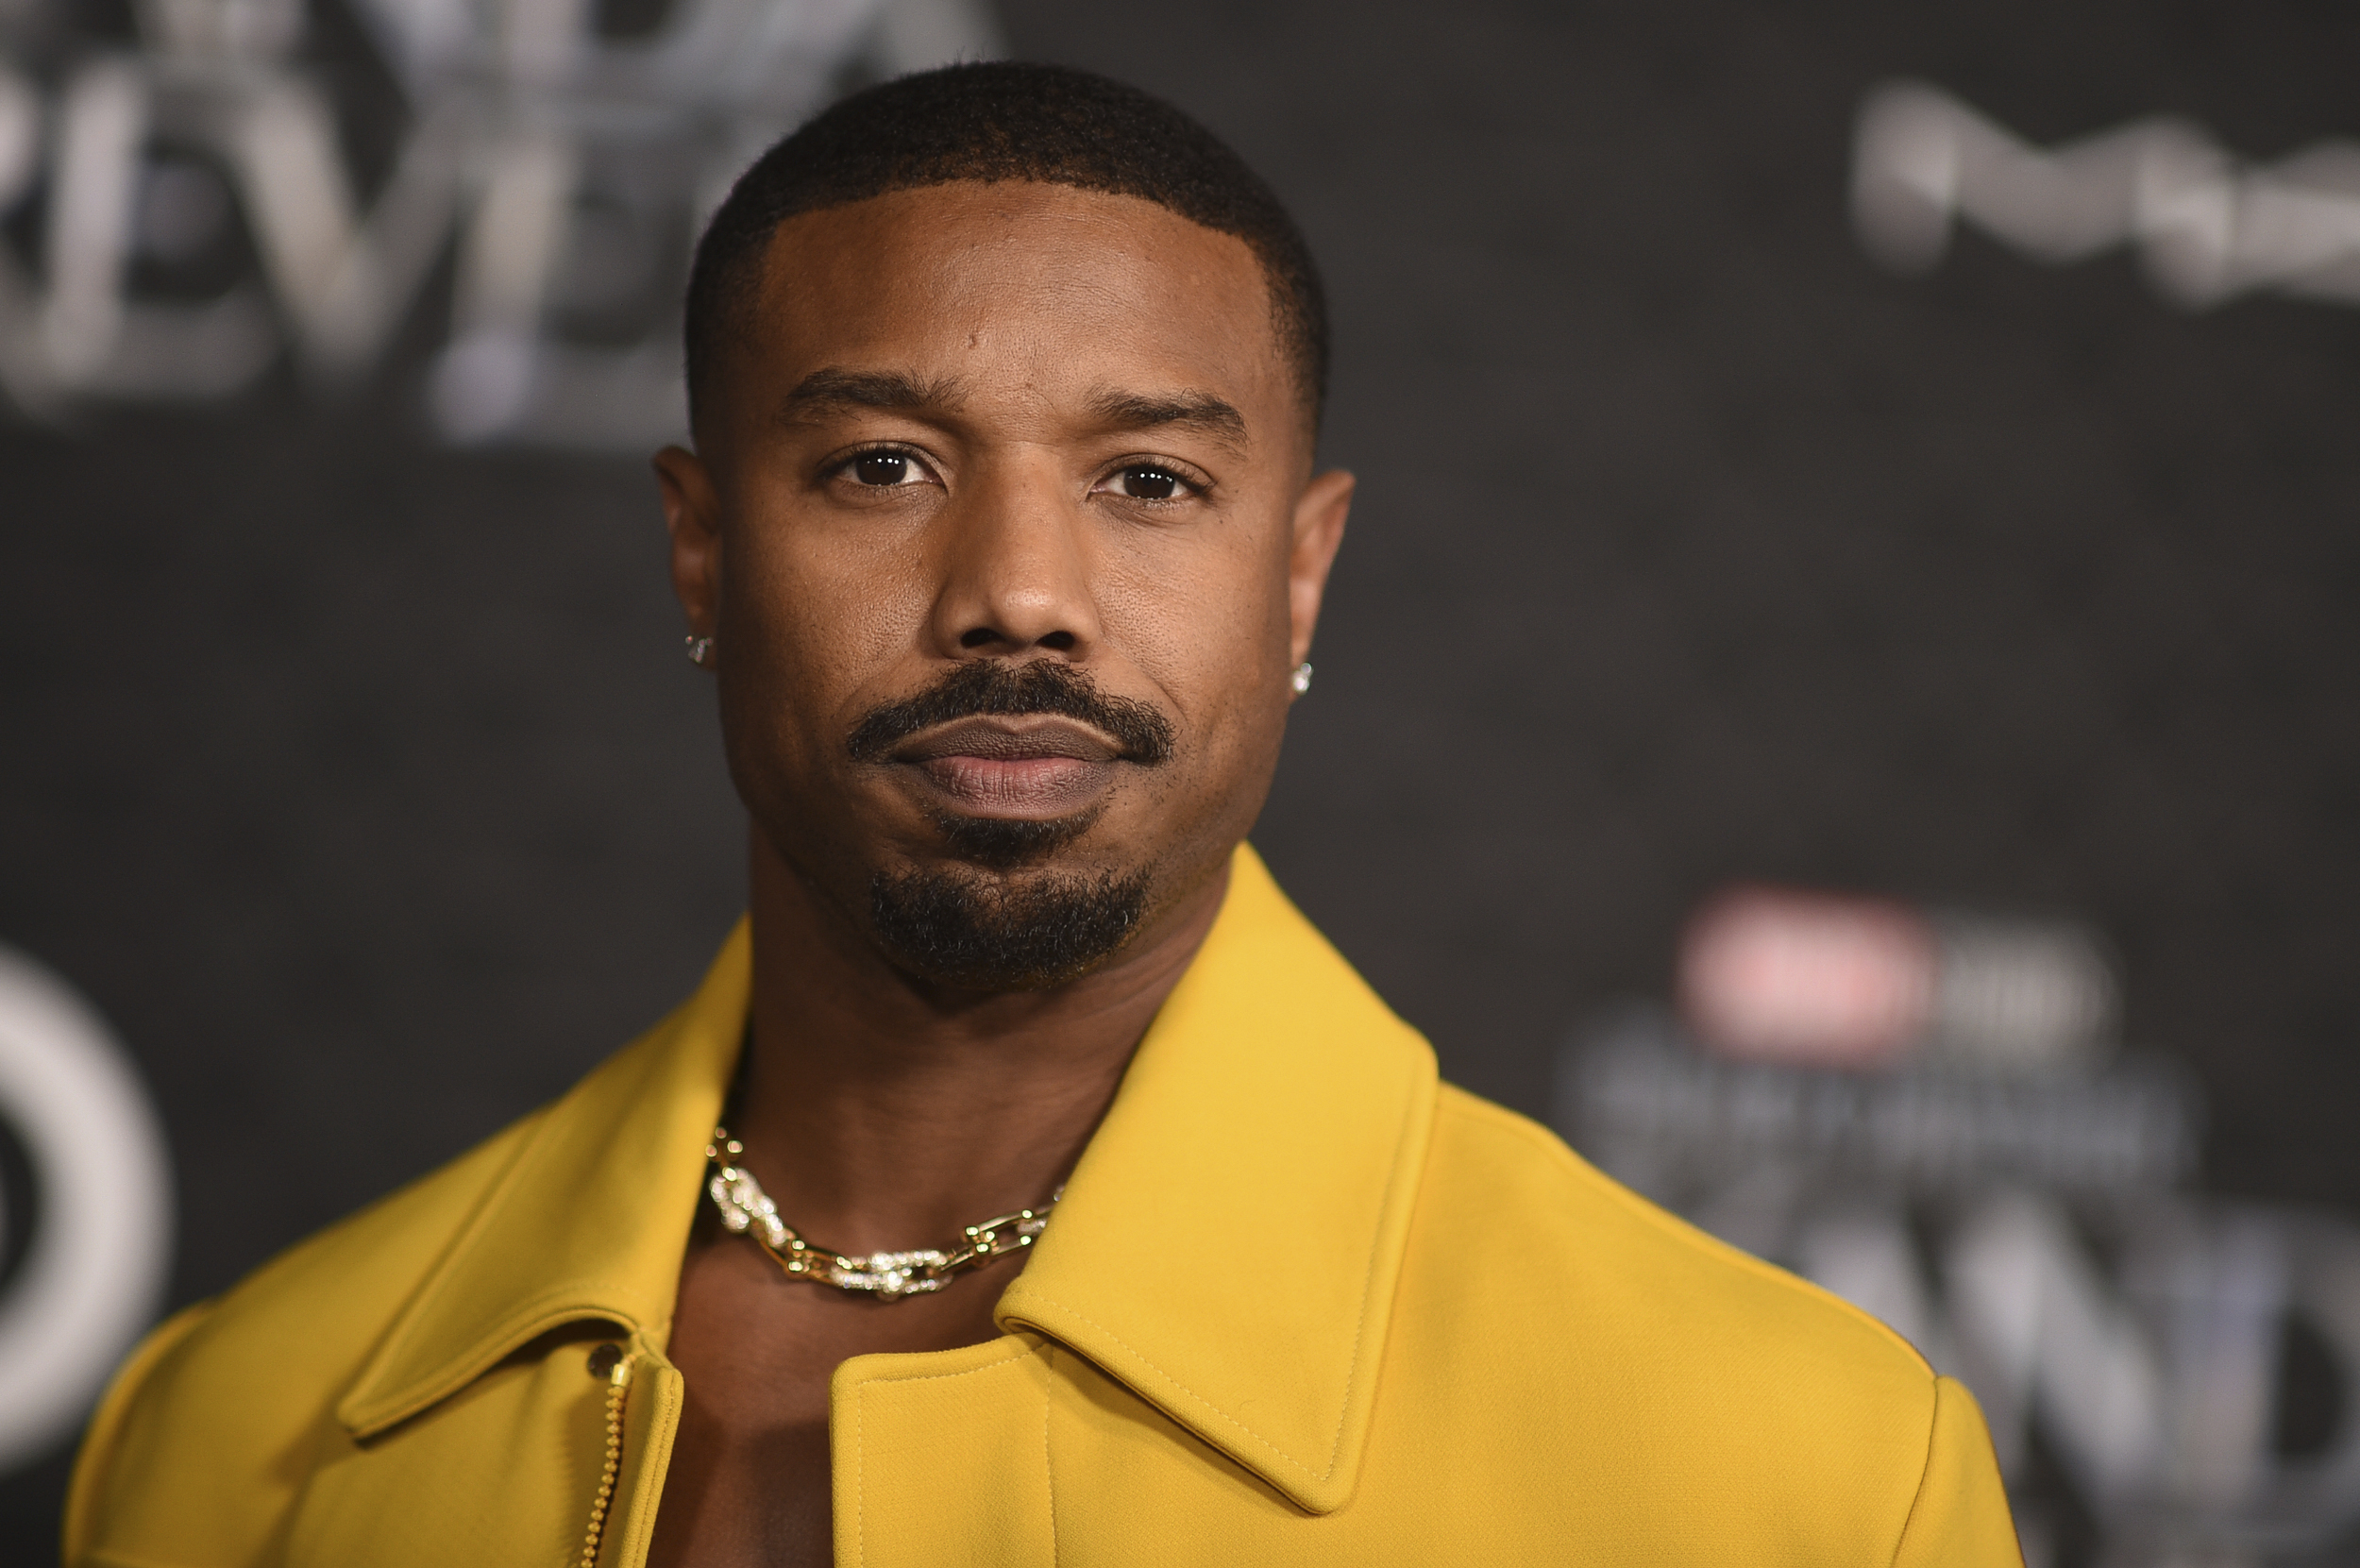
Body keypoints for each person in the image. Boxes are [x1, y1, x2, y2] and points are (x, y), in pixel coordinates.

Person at [62, 61, 2022, 1568]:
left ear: (1302, 577)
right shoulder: (246, 1432)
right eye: (884, 464)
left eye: (1150, 483)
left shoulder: (1785, 1478)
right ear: (697, 551)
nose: (1018, 588)